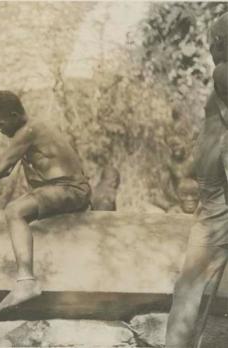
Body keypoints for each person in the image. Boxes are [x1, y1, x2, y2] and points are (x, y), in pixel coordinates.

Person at [0, 90, 91, 311]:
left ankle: (26, 282)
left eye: (0, 123)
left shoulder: (29, 130)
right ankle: (25, 280)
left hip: (70, 190)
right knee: (17, 209)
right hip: (65, 190)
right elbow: (2, 172)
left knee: (14, 211)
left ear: (13, 115)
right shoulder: (30, 130)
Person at [165, 12, 228, 347]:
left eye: (213, 41)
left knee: (189, 286)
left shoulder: (224, 71)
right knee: (191, 287)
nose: (210, 48)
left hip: (219, 203)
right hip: (215, 201)